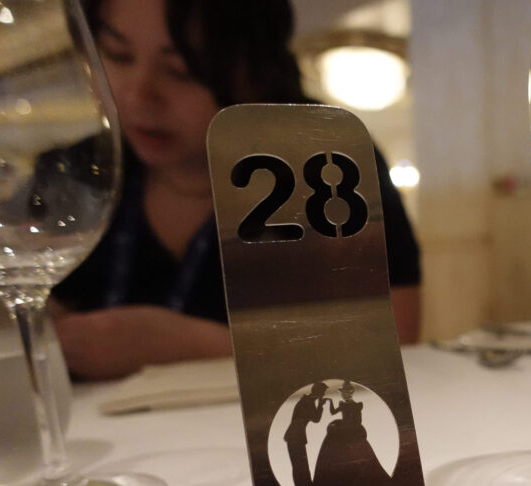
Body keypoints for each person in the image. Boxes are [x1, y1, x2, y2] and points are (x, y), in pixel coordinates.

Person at [51, 0, 422, 380]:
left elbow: (390, 344)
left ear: (258, 69)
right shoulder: (76, 170)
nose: (138, 97)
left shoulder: (322, 159)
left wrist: (185, 345)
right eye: (118, 55)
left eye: (182, 71)